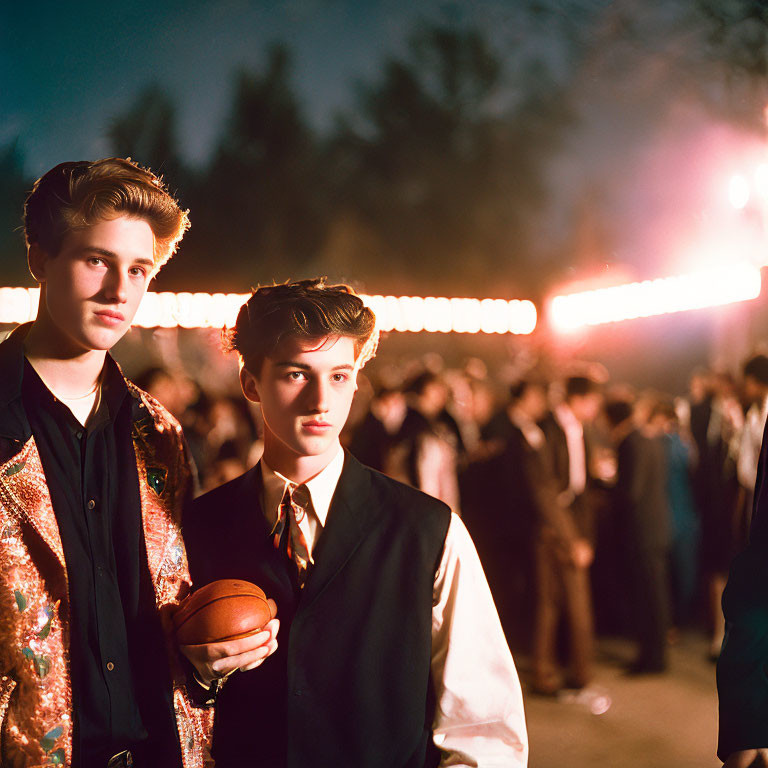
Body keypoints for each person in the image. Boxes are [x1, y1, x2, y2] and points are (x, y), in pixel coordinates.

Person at [182, 278, 528, 768]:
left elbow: (484, 730)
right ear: (251, 382)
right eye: (297, 374)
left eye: (339, 375)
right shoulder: (195, 526)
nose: (320, 400)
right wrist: (199, 675)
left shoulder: (428, 530)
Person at [0, 158, 276, 767]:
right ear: (39, 257)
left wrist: (208, 664)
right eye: (96, 260)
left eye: (139, 269)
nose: (119, 291)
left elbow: (171, 615)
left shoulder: (163, 436)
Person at [533, 376, 602, 693]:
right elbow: (544, 489)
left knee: (561, 602)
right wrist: (572, 539)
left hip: (571, 520)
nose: (596, 408)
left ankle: (568, 672)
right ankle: (564, 674)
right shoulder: (547, 428)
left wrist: (584, 537)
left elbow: (583, 489)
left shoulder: (580, 429)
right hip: (552, 525)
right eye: (593, 401)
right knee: (559, 602)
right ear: (578, 398)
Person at [604, 399, 671, 673]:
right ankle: (656, 656)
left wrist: (605, 483)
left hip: (642, 531)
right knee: (656, 595)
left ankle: (651, 659)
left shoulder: (630, 442)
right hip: (657, 526)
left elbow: (630, 491)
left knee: (648, 597)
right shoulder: (650, 439)